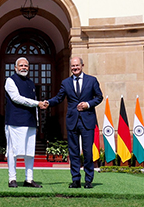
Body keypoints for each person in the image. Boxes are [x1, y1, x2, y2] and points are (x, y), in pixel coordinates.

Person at [45, 56, 103, 189]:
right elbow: (59, 98)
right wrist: (48, 102)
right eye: (72, 66)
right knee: (73, 152)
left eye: (77, 65)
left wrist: (88, 104)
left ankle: (89, 180)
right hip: (72, 121)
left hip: (87, 121)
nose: (75, 68)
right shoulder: (66, 83)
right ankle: (76, 179)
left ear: (82, 66)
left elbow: (99, 97)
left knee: (88, 152)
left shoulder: (92, 80)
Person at [4, 57, 48, 188]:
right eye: (21, 65)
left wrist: (37, 121)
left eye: (26, 66)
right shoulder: (10, 80)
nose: (24, 67)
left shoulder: (30, 83)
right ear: (15, 67)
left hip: (30, 121)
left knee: (30, 151)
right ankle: (12, 179)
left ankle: (29, 179)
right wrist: (37, 103)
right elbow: (16, 98)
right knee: (13, 151)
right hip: (15, 121)